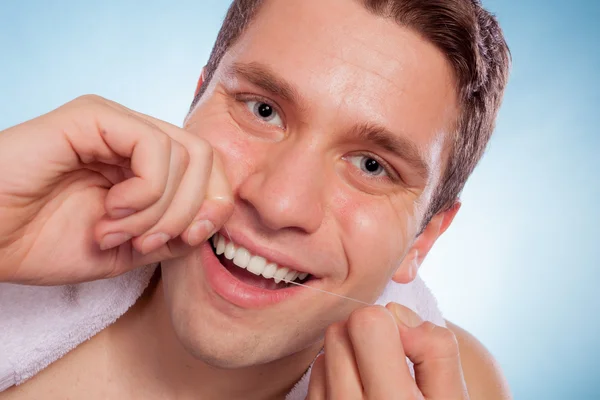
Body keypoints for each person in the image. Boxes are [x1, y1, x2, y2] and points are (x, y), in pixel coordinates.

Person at [0, 0, 512, 398]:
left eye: (372, 166)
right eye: (263, 110)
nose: (279, 203)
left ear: (423, 238)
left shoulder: (453, 386)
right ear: (195, 101)